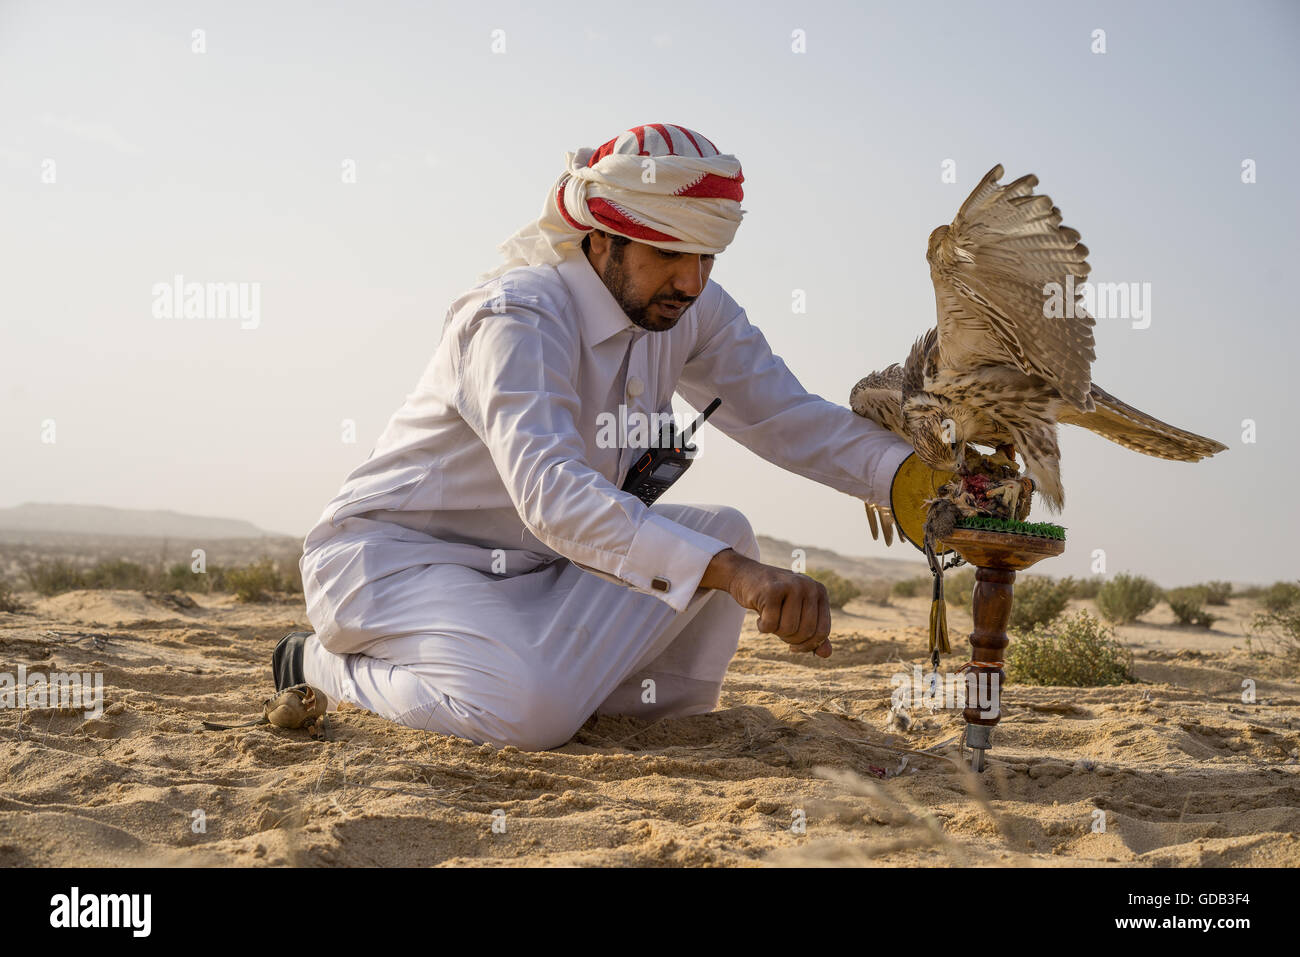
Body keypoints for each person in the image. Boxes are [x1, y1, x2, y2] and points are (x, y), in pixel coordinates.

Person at [277, 123, 934, 750]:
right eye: (668, 253)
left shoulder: (689, 309)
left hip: (542, 568)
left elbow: (781, 412)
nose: (691, 280)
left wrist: (911, 480)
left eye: (705, 255)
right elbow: (554, 495)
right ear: (603, 239)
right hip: (396, 560)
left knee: (724, 530)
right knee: (528, 707)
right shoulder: (517, 318)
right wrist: (734, 575)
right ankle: (315, 662)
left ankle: (610, 711)